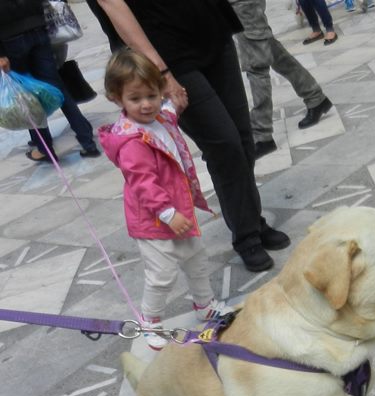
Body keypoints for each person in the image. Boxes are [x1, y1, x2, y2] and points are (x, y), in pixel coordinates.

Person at [96, 0, 290, 273]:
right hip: (163, 51)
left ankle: (251, 221)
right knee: (224, 143)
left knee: (243, 137)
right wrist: (160, 70)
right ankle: (246, 235)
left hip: (209, 27)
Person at [99, 49, 229, 350]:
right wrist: (168, 214)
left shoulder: (158, 118)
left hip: (179, 211)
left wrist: (175, 103)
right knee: (161, 275)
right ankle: (150, 321)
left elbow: (165, 116)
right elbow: (143, 183)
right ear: (117, 99)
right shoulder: (131, 142)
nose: (146, 105)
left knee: (197, 260)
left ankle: (205, 305)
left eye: (152, 95)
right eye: (135, 99)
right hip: (155, 220)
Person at [229, 0, 334, 159]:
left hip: (242, 4)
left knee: (256, 65)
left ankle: (261, 134)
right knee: (273, 52)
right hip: (236, 6)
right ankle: (315, 97)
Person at [0, 0, 100, 162]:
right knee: (55, 84)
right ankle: (86, 140)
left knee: (24, 94)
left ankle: (44, 146)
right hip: (36, 24)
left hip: (9, 34)